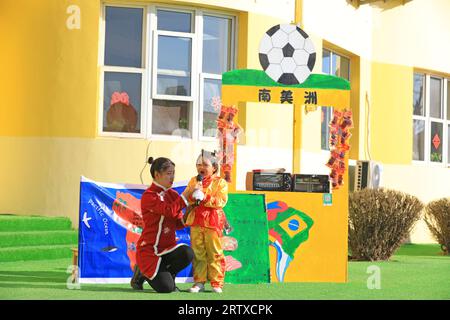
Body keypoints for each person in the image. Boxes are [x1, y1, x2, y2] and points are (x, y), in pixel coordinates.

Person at [130, 157, 195, 293]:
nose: (172, 177)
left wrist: (190, 209)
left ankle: (169, 276)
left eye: (173, 173)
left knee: (187, 253)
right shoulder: (149, 196)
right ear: (157, 175)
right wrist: (185, 195)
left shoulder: (172, 194)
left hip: (167, 249)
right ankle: (141, 272)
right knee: (167, 289)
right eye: (168, 173)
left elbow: (177, 223)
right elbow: (169, 211)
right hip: (149, 251)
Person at [182, 150, 229, 293]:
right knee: (198, 252)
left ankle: (217, 283)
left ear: (214, 167)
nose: (200, 167)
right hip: (196, 221)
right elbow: (185, 197)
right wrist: (192, 194)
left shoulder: (220, 182)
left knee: (214, 252)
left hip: (213, 221)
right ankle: (199, 282)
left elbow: (221, 201)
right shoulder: (193, 180)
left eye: (205, 164)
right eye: (198, 164)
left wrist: (205, 197)